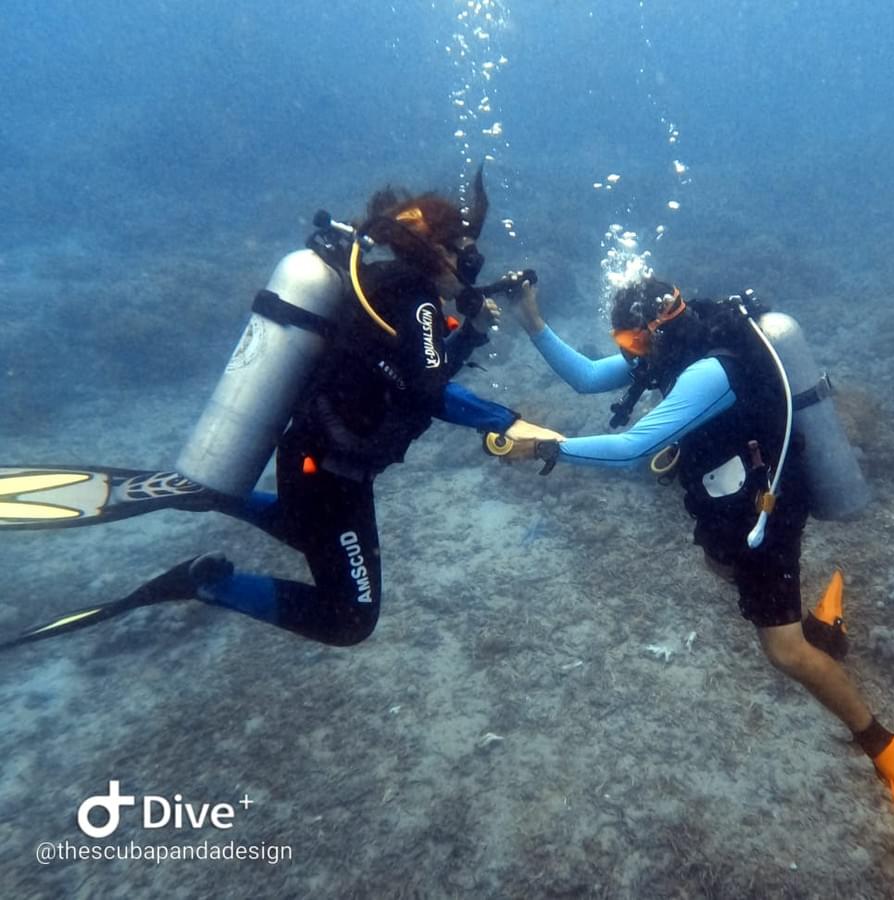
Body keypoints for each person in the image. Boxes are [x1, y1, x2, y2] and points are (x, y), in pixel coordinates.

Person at [1, 170, 561, 648]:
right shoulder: (413, 299)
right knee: (351, 620)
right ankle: (205, 582)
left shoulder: (380, 283)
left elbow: (403, 371)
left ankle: (216, 491)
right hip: (333, 478)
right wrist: (488, 377)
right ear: (444, 250)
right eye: (469, 250)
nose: (472, 261)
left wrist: (464, 337)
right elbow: (428, 388)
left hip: (310, 460)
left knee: (304, 529)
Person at [502, 276, 894, 761]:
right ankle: (818, 632)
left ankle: (880, 743)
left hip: (770, 502)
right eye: (623, 344)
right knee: (719, 564)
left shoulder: (709, 372)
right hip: (730, 499)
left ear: (660, 327)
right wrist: (534, 323)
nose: (632, 353)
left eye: (634, 341)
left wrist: (549, 449)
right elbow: (586, 377)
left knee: (783, 652)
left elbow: (632, 451)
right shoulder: (672, 348)